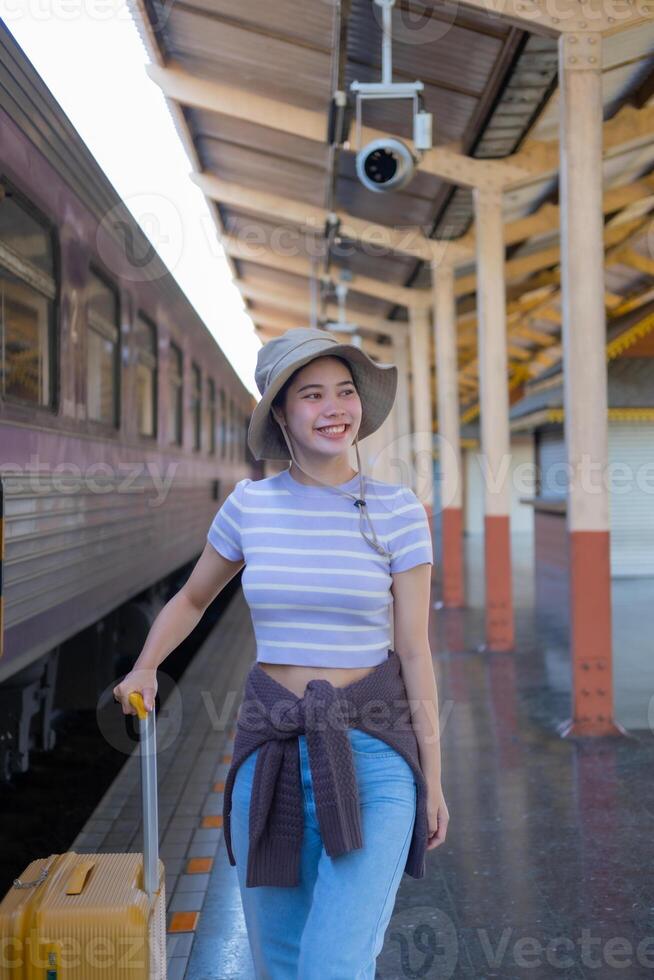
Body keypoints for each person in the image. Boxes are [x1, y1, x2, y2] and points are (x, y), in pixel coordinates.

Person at [113, 326, 449, 979]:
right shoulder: (250, 506)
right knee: (281, 962)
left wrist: (432, 779)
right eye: (312, 395)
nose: (335, 408)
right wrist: (146, 665)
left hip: (376, 759)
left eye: (345, 392)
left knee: (334, 962)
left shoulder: (399, 511)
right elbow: (191, 599)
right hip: (269, 753)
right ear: (281, 414)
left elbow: (414, 649)